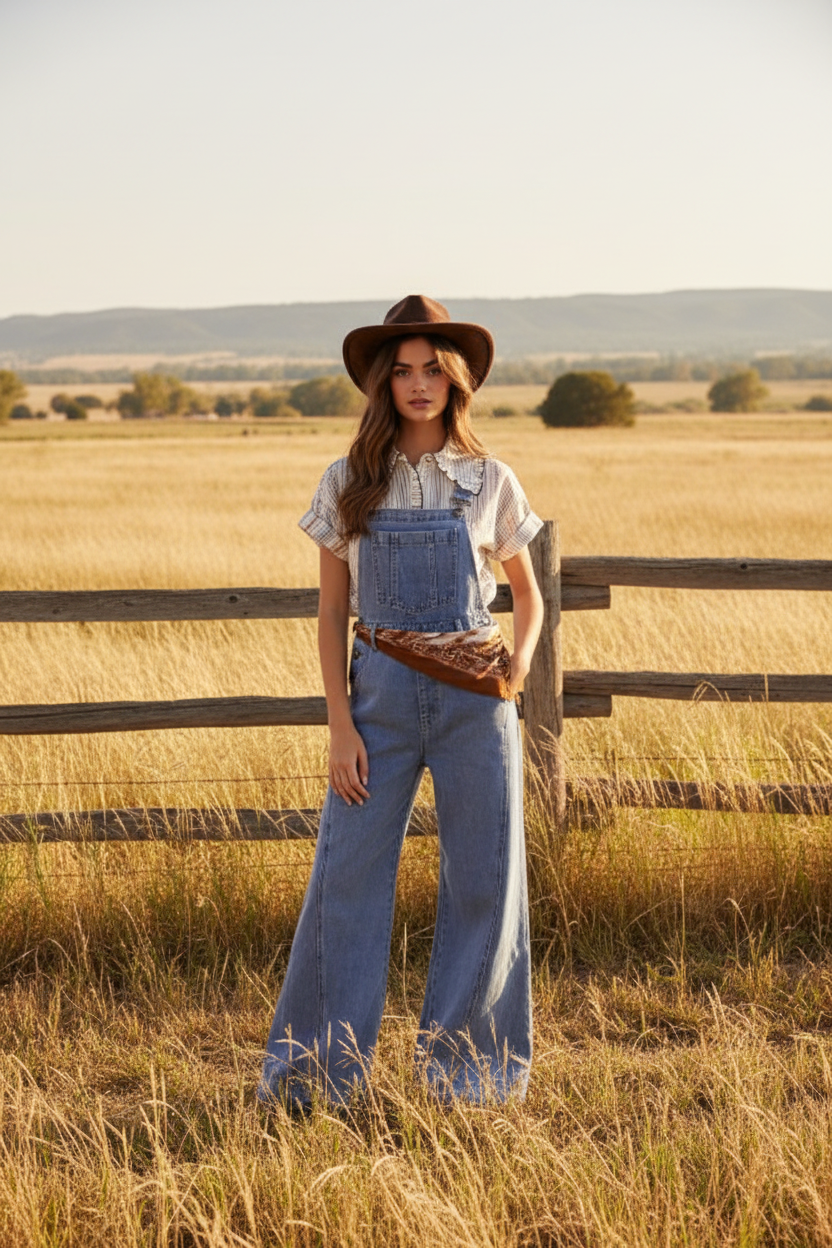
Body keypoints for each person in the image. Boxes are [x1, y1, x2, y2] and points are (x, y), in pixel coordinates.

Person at [259, 295, 544, 1110]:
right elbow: (330, 615)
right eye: (403, 371)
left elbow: (527, 596)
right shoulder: (348, 481)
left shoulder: (490, 479)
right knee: (344, 878)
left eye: (432, 370)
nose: (418, 385)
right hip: (376, 702)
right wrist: (339, 725)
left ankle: (471, 1083)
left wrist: (517, 667)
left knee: (484, 882)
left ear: (454, 381)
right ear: (383, 384)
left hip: (474, 707)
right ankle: (313, 1081)